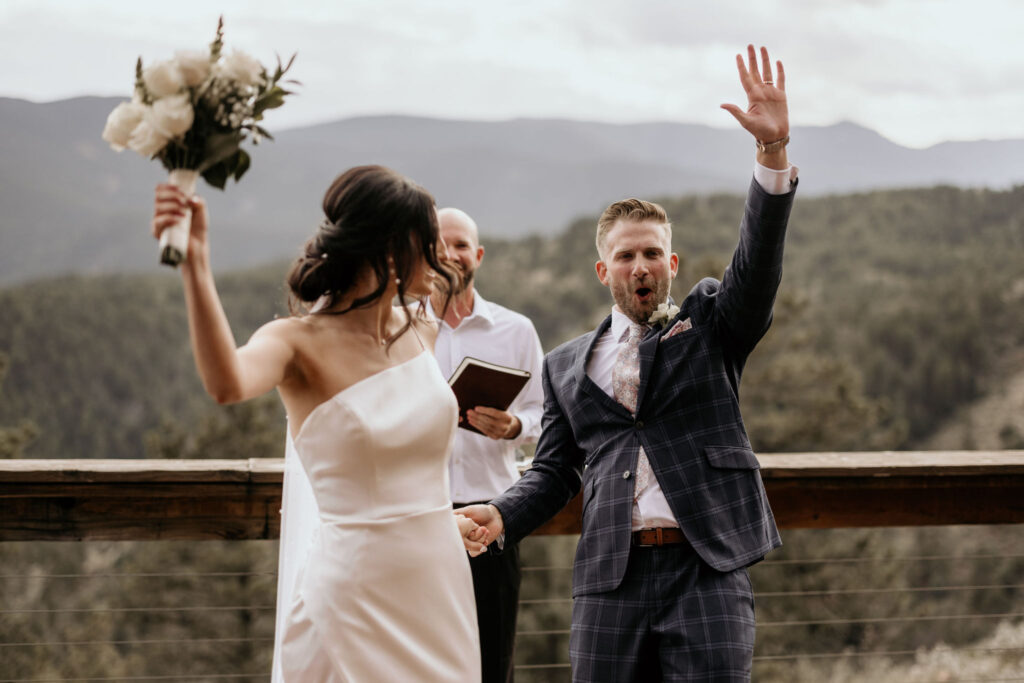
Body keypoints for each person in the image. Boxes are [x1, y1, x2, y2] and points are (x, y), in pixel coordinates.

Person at [458, 45, 798, 682]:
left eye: (651, 254)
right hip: (611, 581)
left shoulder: (712, 326)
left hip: (707, 569)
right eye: (624, 256)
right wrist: (502, 512)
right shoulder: (563, 368)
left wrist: (771, 158)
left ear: (670, 265)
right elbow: (556, 471)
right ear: (603, 270)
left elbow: (756, 270)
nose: (639, 266)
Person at [150, 165, 487, 681]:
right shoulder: (296, 342)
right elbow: (226, 383)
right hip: (357, 594)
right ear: (391, 248)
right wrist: (195, 265)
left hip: (439, 582)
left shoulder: (423, 328)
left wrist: (438, 521)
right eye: (430, 240)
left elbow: (411, 468)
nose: (442, 255)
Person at [427, 208, 545, 682]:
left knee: (493, 660)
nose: (449, 255)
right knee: (420, 659)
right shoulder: (395, 328)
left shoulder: (515, 330)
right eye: (438, 246)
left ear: (477, 255)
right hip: (418, 516)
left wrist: (515, 426)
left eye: (459, 245)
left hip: (491, 518)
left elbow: (547, 415)